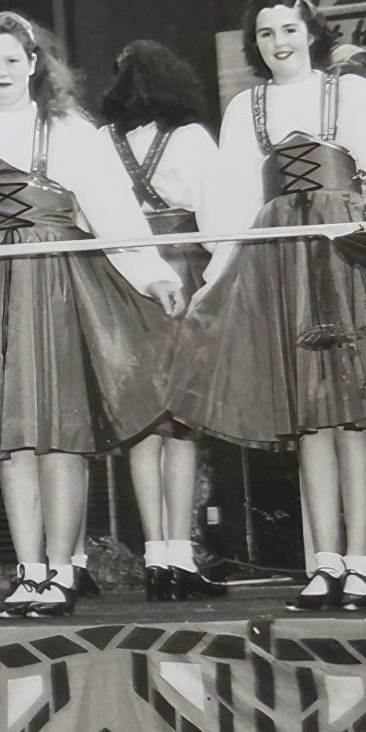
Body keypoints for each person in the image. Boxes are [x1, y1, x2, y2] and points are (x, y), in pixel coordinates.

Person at [0, 13, 185, 621]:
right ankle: (30, 571)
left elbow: (113, 213)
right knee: (12, 442)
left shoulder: (69, 131)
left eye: (11, 60)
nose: (0, 72)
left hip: (56, 290)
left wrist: (153, 273)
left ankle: (62, 570)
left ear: (33, 64)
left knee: (60, 434)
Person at [170, 0, 366, 612]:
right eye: (266, 33)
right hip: (282, 262)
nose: (279, 42)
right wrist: (219, 275)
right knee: (311, 417)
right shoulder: (246, 108)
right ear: (254, 44)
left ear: (311, 32)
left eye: (289, 28)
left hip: (347, 257)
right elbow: (234, 200)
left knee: (353, 415)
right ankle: (325, 563)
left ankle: (361, 561)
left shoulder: (352, 92)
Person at [101, 41, 227, 600]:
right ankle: (180, 554)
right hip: (184, 272)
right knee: (182, 425)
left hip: (126, 280)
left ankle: (155, 557)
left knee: (141, 424)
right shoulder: (192, 138)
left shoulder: (103, 143)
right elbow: (219, 219)